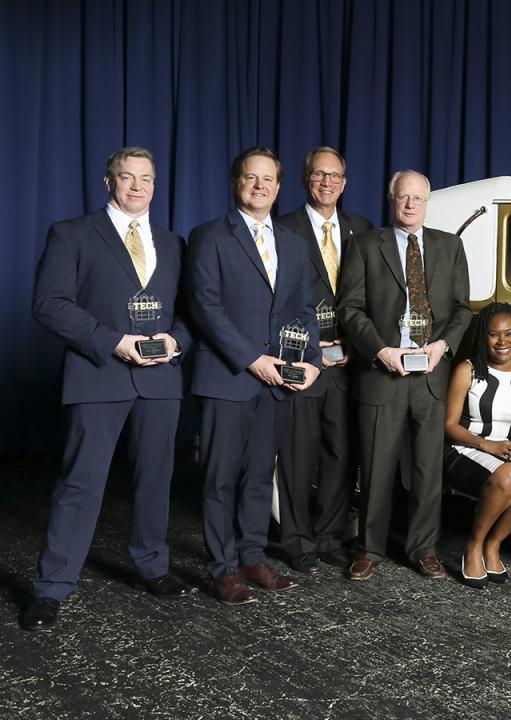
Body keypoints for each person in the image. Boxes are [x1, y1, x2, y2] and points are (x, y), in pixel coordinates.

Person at [22, 147, 192, 630]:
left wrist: (175, 340)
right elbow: (48, 303)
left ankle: (152, 567)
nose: (137, 186)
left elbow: (191, 313)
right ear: (107, 182)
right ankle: (51, 588)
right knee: (81, 483)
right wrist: (114, 342)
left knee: (156, 479)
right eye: (127, 177)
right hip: (98, 375)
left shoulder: (173, 242)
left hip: (161, 379)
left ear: (155, 184)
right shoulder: (72, 234)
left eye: (146, 178)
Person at [186, 146, 321, 605]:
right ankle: (222, 567)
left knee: (262, 475)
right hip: (229, 376)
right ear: (236, 182)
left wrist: (311, 361)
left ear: (279, 187)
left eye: (267, 179)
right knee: (220, 476)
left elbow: (305, 310)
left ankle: (251, 556)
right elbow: (205, 307)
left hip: (279, 379)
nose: (259, 185)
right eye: (250, 177)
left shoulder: (293, 244)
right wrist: (251, 360)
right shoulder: (209, 236)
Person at [338, 170, 472, 581]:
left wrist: (442, 346)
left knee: (428, 470)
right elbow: (350, 308)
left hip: (432, 375)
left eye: (417, 198)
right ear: (391, 199)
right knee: (377, 466)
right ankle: (369, 549)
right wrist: (380, 350)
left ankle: (423, 548)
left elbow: (463, 309)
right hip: (383, 373)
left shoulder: (449, 246)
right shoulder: (363, 246)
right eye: (403, 198)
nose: (410, 205)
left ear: (427, 203)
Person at [275, 147, 374, 574]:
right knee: (298, 454)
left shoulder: (363, 230)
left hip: (350, 363)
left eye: (334, 176)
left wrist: (363, 345)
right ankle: (296, 540)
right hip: (303, 360)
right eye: (319, 175)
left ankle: (330, 535)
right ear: (305, 180)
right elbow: (276, 301)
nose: (327, 183)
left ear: (345, 183)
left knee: (341, 453)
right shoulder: (282, 228)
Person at [442, 302, 511, 588]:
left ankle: (493, 545)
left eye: (509, 333)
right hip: (465, 449)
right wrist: (487, 445)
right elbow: (449, 425)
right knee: (509, 475)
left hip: (505, 454)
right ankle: (473, 547)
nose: (502, 341)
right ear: (483, 337)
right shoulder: (468, 370)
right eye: (493, 334)